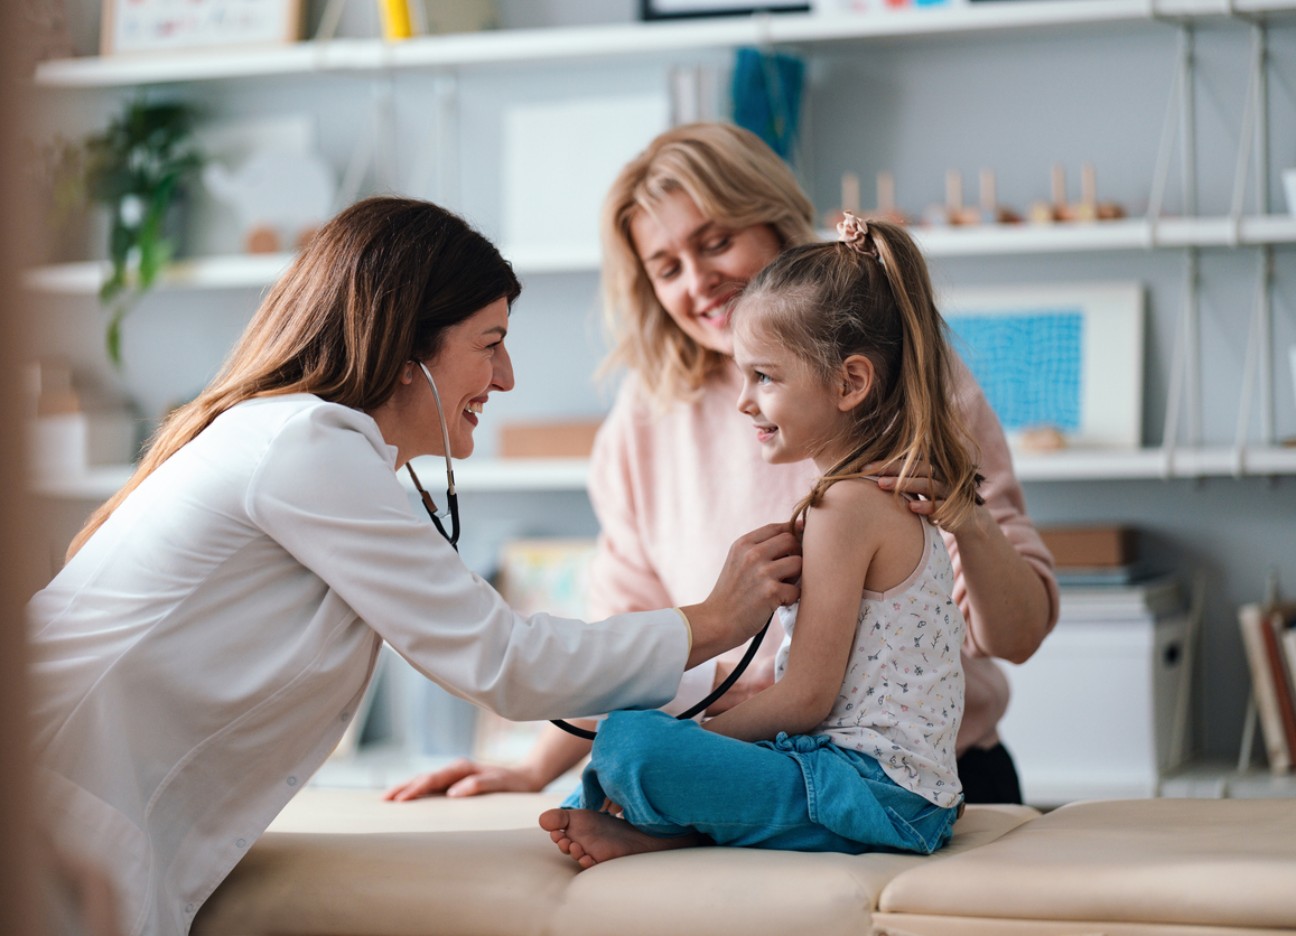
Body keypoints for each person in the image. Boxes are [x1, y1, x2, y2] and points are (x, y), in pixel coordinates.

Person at [26, 196, 802, 936]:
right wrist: (717, 617)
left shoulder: (307, 449)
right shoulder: (306, 447)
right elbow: (505, 660)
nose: (506, 380)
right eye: (490, 344)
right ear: (407, 353)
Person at [385, 122, 1056, 807]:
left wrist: (967, 523)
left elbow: (1017, 635)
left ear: (774, 225)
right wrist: (533, 770)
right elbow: (634, 642)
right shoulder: (643, 424)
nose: (699, 282)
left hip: (925, 780)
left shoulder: (910, 386)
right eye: (668, 267)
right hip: (749, 771)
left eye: (716, 243)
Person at [540, 213, 979, 866]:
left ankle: (645, 817)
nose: (744, 401)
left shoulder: (845, 507)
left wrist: (696, 738)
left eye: (765, 378)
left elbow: (805, 698)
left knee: (632, 742)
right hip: (876, 789)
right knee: (637, 740)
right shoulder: (857, 499)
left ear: (849, 383)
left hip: (873, 794)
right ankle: (657, 828)